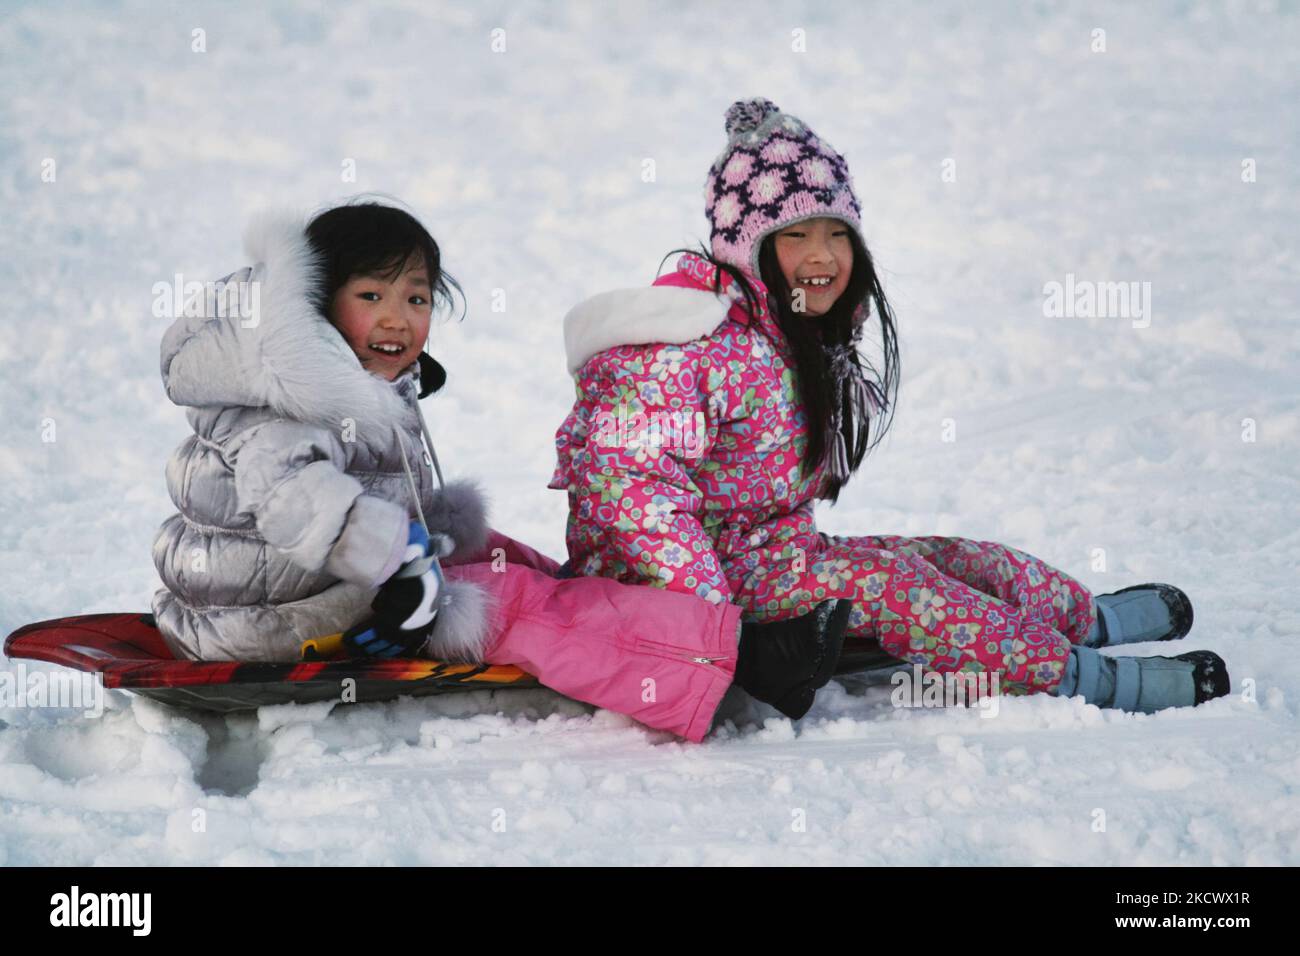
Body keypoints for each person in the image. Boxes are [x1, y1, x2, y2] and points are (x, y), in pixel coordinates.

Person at [549, 98, 1230, 717]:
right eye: (795, 237)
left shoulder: (788, 335)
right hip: (665, 593)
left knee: (951, 559)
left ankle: (1089, 618)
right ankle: (1091, 679)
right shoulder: (682, 347)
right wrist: (712, 624)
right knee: (902, 589)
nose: (823, 256)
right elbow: (628, 484)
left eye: (837, 234)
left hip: (771, 557)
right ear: (746, 248)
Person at [151, 199, 819, 742]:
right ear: (318, 303)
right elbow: (297, 499)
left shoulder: (342, 377)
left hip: (300, 584)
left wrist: (413, 547)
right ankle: (734, 658)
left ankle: (629, 618)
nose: (397, 317)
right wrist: (398, 562)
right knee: (511, 601)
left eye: (416, 298)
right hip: (274, 619)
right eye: (370, 295)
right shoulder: (289, 393)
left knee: (504, 558)